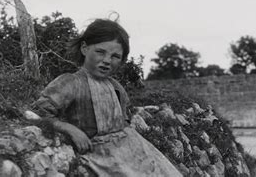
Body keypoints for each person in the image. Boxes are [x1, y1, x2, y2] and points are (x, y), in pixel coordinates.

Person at [31, 19, 182, 176]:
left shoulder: (116, 87)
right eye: (100, 52)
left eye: (115, 56)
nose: (107, 61)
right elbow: (38, 113)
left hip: (132, 148)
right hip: (101, 155)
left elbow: (124, 122)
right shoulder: (71, 82)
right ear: (84, 48)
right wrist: (70, 129)